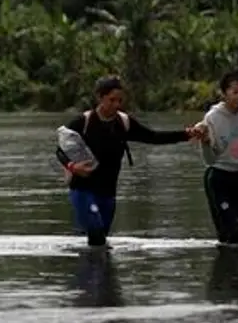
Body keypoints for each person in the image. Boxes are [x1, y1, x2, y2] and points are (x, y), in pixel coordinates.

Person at [54, 75, 204, 247]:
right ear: (99, 98)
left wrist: (186, 134)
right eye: (111, 100)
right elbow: (60, 151)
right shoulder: (83, 122)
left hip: (108, 192)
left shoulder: (124, 123)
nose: (116, 105)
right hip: (83, 189)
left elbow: (153, 137)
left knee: (100, 241)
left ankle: (98, 272)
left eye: (120, 100)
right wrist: (72, 166)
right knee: (96, 233)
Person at [197, 68, 238, 246]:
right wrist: (204, 141)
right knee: (232, 229)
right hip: (219, 178)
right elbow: (210, 160)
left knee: (237, 236)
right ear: (224, 93)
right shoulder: (212, 118)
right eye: (235, 92)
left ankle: (232, 271)